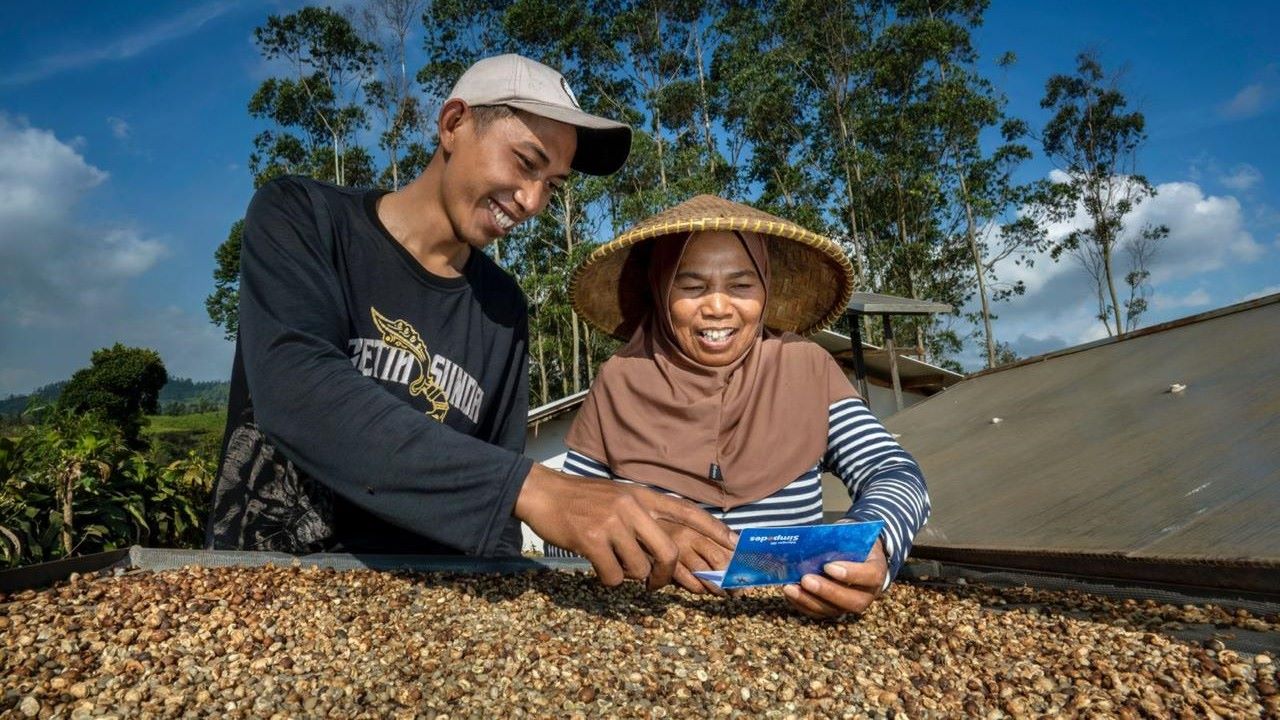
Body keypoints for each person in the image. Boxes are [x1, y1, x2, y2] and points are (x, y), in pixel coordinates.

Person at [206, 54, 734, 589]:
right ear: (453, 124)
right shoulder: (303, 217)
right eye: (526, 162)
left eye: (552, 183)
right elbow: (297, 390)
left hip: (417, 601)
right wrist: (536, 489)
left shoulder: (502, 309)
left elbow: (492, 490)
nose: (531, 201)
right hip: (265, 585)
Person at [555, 195, 931, 618]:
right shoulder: (620, 379)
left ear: (765, 290)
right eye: (692, 286)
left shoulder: (805, 367)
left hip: (793, 618)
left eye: (741, 286)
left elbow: (894, 471)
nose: (718, 307)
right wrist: (648, 537)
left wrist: (873, 543)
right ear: (661, 290)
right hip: (646, 621)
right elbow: (568, 520)